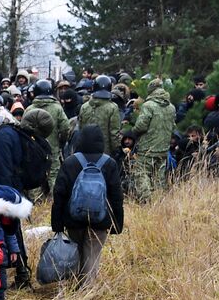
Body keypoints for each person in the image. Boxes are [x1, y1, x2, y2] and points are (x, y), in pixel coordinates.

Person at [51, 126, 124, 288]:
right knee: (92, 256)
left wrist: (57, 223)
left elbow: (59, 194)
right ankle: (87, 291)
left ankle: (73, 287)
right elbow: (117, 196)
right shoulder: (109, 162)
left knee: (75, 252)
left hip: (73, 218)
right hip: (101, 219)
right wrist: (117, 224)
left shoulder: (70, 162)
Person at [128, 81, 176, 201]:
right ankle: (160, 200)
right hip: (164, 147)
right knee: (159, 176)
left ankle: (146, 200)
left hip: (147, 147)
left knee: (141, 173)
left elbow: (141, 126)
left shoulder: (148, 105)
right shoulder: (171, 107)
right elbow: (173, 127)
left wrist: (133, 131)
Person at [77, 76, 122, 156]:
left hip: (85, 150)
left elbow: (80, 129)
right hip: (105, 152)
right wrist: (116, 149)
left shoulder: (84, 107)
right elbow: (114, 133)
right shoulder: (112, 107)